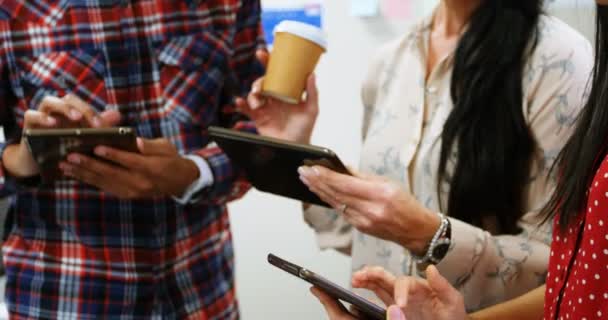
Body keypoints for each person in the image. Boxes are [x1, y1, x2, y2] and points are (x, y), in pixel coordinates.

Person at [240, 0, 593, 312]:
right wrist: (295, 145)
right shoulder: (392, 59)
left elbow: (563, 265)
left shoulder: (558, 59)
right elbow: (366, 233)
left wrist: (427, 235)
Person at [0, 1, 264, 318]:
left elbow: (262, 126)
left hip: (203, 291)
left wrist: (195, 173)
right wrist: (24, 160)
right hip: (63, 297)